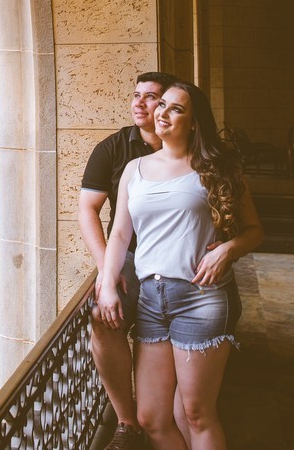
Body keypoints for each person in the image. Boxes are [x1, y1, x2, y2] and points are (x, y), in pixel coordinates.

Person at [98, 81, 264, 450]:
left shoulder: (217, 168)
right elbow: (120, 234)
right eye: (162, 104)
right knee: (151, 418)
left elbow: (255, 231)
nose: (162, 112)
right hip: (150, 301)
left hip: (200, 299)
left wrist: (227, 250)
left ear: (193, 123)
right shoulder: (134, 169)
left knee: (196, 414)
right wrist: (107, 283)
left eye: (176, 108)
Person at [79, 71, 179, 450]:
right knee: (104, 319)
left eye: (150, 96)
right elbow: (87, 209)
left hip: (176, 260)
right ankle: (126, 422)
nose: (139, 103)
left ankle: (168, 413)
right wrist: (108, 269)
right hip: (131, 257)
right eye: (136, 95)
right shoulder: (114, 148)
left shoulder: (189, 147)